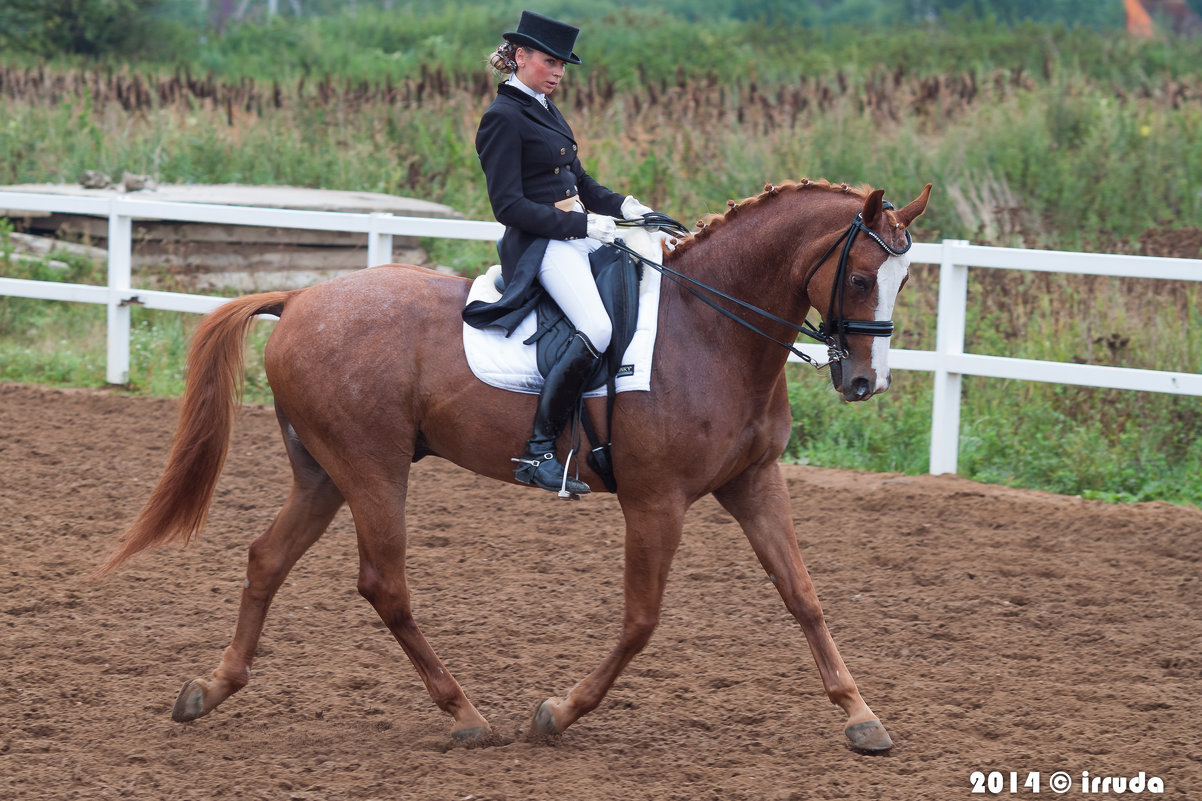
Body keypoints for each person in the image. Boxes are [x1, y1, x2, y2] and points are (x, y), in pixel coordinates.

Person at [463, 10, 655, 497]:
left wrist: (628, 206)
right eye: (550, 62)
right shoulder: (502, 117)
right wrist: (581, 223)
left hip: (573, 234)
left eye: (563, 66)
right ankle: (539, 450)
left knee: (646, 273)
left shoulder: (543, 107)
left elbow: (579, 181)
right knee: (596, 326)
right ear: (521, 56)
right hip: (541, 245)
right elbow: (509, 206)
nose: (558, 73)